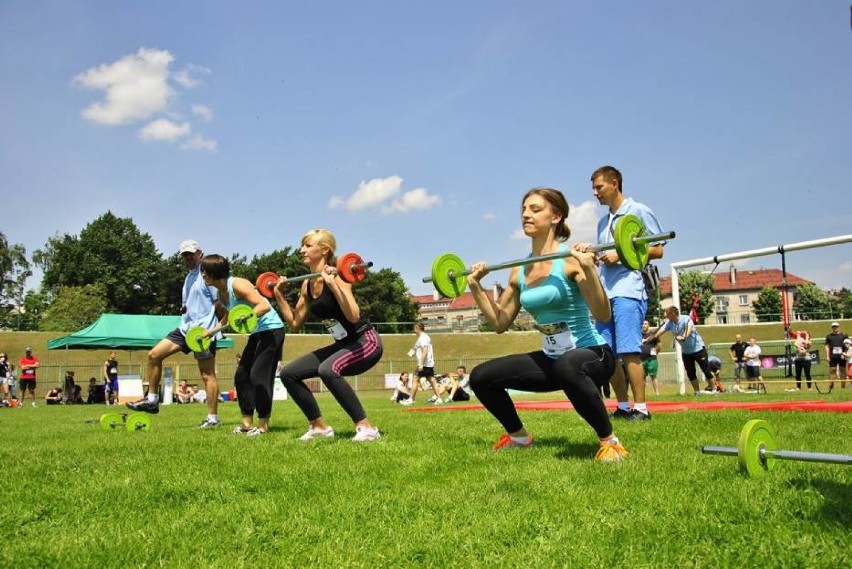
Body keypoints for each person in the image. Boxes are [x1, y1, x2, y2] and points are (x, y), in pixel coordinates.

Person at [466, 187, 628, 461]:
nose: (526, 215)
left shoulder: (569, 260)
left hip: (594, 355)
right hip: (554, 360)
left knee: (568, 364)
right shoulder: (520, 268)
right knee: (481, 377)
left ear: (556, 217)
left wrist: (589, 268)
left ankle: (610, 442)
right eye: (524, 210)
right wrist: (475, 286)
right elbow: (499, 322)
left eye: (535, 209)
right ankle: (519, 437)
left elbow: (603, 314)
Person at [273, 229, 383, 442]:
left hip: (365, 341)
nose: (302, 250)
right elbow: (295, 323)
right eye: (302, 245)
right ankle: (319, 427)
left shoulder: (339, 276)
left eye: (308, 245)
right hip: (343, 345)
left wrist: (333, 284)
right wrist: (279, 296)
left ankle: (367, 428)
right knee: (288, 374)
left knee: (327, 369)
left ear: (324, 250)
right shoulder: (307, 283)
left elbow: (353, 316)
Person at [591, 165, 666, 420]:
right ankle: (623, 407)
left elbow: (657, 250)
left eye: (598, 187)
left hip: (628, 290)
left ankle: (642, 409)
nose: (595, 193)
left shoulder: (638, 211)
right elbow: (604, 254)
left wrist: (620, 256)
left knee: (629, 350)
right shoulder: (603, 221)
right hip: (605, 293)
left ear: (614, 183)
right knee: (607, 353)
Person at [127, 240, 223, 429]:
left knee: (207, 375)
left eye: (191, 254)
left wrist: (214, 329)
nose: (187, 257)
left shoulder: (208, 275)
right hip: (184, 328)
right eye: (184, 255)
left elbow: (220, 303)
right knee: (154, 355)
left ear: (199, 253)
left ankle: (212, 419)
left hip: (202, 333)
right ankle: (152, 400)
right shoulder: (189, 277)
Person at [200, 254, 286, 436]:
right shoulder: (220, 293)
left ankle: (263, 425)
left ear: (214, 272)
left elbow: (264, 306)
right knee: (241, 375)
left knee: (258, 376)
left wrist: (246, 316)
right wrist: (211, 332)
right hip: (256, 333)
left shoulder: (236, 284)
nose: (202, 275)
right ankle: (247, 424)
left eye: (205, 272)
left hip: (271, 330)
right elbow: (228, 317)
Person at [644, 306, 715, 395]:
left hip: (698, 349)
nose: (665, 315)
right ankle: (697, 392)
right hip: (686, 352)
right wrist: (648, 339)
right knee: (690, 372)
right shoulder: (670, 323)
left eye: (667, 313)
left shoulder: (686, 319)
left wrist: (684, 337)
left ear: (673, 313)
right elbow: (659, 332)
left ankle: (714, 390)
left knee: (706, 370)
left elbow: (688, 330)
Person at [409, 322, 443, 405]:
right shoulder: (422, 337)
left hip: (424, 364)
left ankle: (411, 399)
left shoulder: (423, 338)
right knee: (432, 380)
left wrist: (421, 364)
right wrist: (412, 352)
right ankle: (439, 398)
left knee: (415, 379)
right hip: (428, 363)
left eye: (415, 328)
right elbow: (417, 347)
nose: (414, 330)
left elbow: (425, 351)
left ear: (418, 328)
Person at [824, 322, 848, 391]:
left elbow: (847, 346)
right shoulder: (829, 336)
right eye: (834, 327)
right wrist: (827, 356)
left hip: (842, 356)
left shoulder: (844, 335)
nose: (835, 328)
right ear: (832, 328)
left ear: (839, 327)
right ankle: (831, 387)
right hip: (833, 356)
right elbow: (827, 346)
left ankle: (843, 387)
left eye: (836, 326)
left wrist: (845, 354)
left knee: (843, 371)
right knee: (832, 370)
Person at [640, 320, 661, 396]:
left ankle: (657, 393)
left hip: (652, 359)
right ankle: (642, 395)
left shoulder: (653, 335)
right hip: (641, 359)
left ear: (649, 325)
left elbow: (659, 345)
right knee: (642, 378)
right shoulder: (639, 335)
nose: (644, 325)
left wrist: (655, 352)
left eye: (645, 324)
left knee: (653, 376)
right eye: (643, 324)